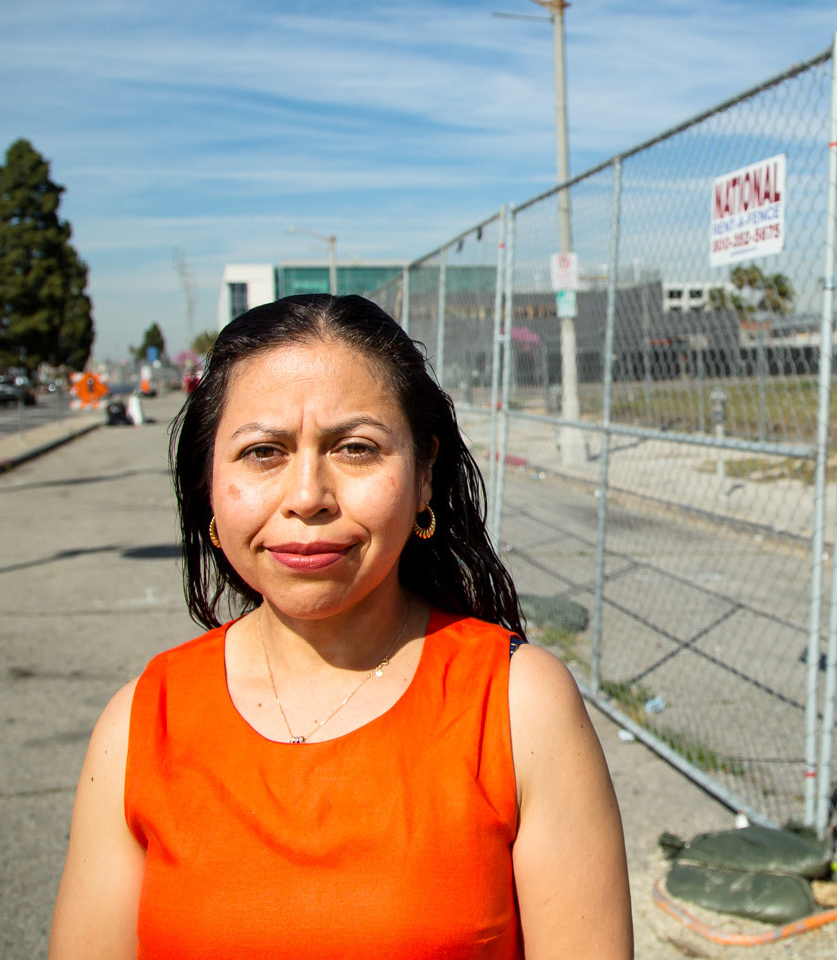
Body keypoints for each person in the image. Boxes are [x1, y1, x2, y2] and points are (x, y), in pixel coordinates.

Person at [50, 294, 632, 959]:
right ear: (208, 482)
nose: (307, 497)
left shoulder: (518, 707)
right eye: (263, 452)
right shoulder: (137, 726)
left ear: (422, 477)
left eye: (356, 448)